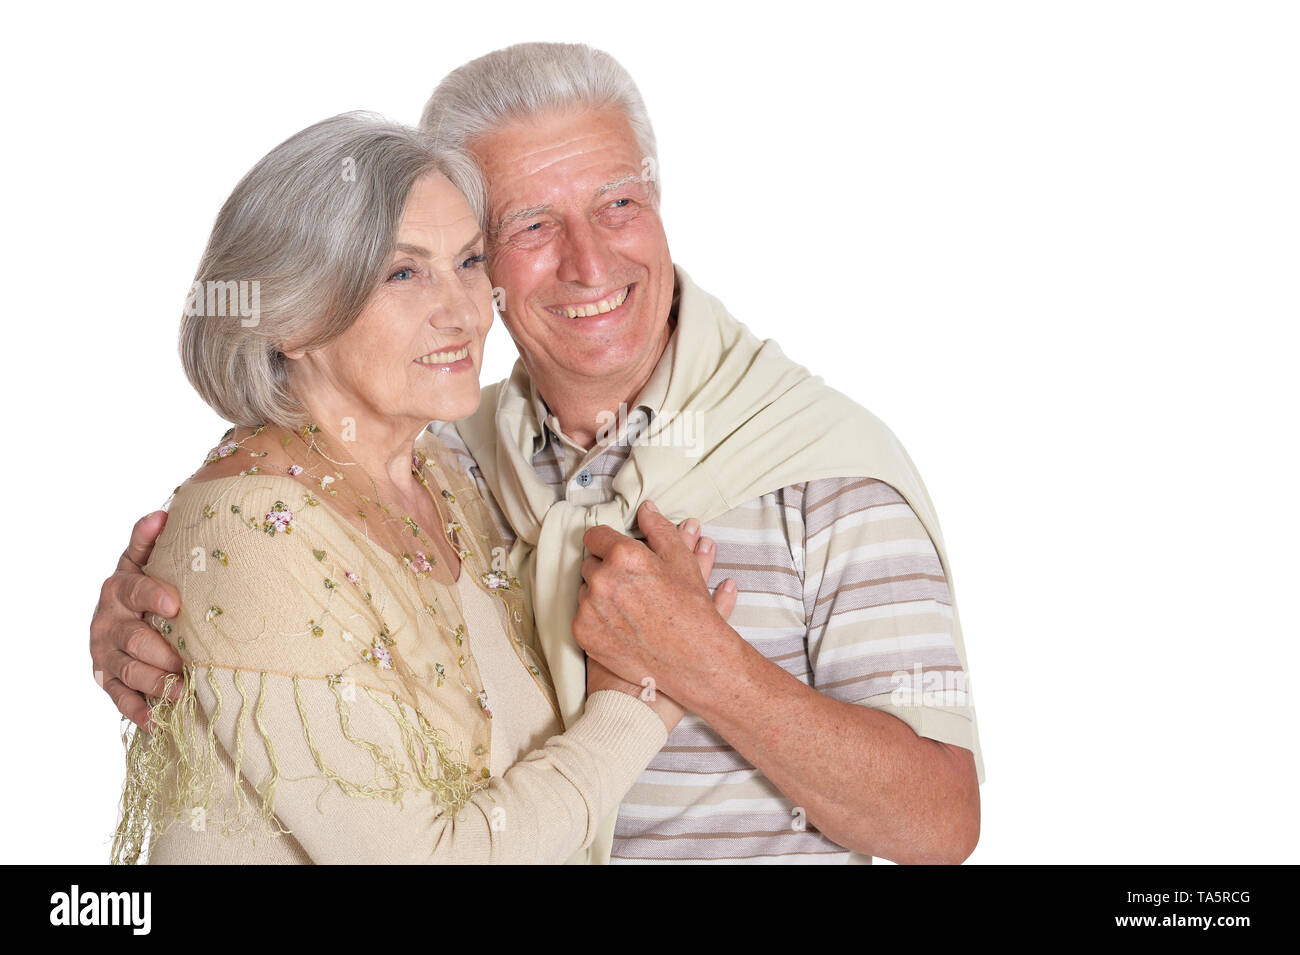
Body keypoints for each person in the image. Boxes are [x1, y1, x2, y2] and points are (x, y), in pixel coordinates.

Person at [95, 42, 985, 865]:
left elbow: (942, 823)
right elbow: (277, 560)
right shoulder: (447, 455)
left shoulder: (818, 464)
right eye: (528, 227)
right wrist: (169, 619)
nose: (590, 263)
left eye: (619, 205)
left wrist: (707, 669)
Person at [108, 111, 736, 865]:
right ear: (293, 318)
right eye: (404, 272)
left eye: (470, 262)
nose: (466, 312)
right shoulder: (250, 529)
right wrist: (637, 703)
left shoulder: (441, 470)